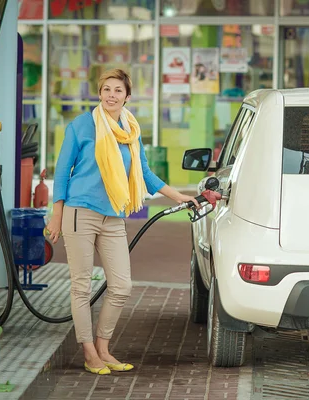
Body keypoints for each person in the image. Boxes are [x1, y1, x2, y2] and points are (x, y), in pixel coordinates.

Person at [46, 68, 200, 375]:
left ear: (127, 97)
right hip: (80, 211)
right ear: (99, 93)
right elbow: (62, 172)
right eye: (106, 90)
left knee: (121, 286)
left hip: (114, 215)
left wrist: (177, 195)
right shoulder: (82, 126)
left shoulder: (131, 129)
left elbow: (143, 171)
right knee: (80, 286)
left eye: (118, 90)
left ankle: (103, 347)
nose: (111, 95)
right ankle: (89, 352)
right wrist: (57, 214)